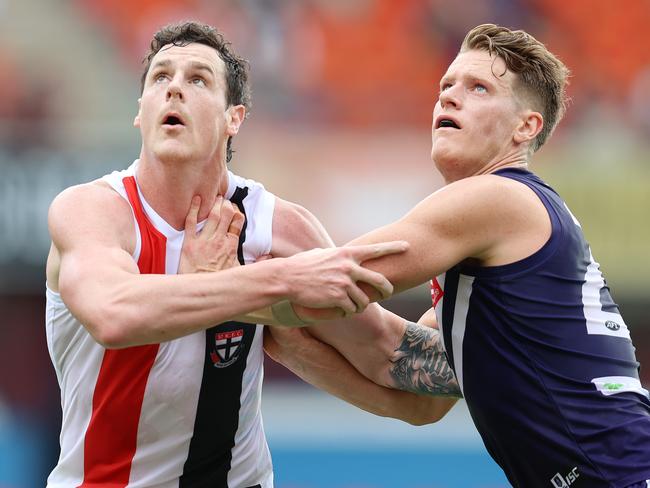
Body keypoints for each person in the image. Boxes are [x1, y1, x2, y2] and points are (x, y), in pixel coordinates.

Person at [44, 21, 444, 488]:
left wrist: (511, 335)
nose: (174, 89)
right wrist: (279, 282)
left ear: (234, 118)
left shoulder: (280, 228)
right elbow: (112, 315)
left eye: (197, 79)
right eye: (160, 77)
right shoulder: (92, 210)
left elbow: (386, 354)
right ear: (141, 112)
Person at [264, 24, 650, 488]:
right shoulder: (494, 250)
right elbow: (400, 370)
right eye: (445, 86)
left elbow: (336, 280)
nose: (448, 98)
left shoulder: (497, 198)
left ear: (525, 127)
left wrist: (215, 278)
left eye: (478, 88)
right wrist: (288, 346)